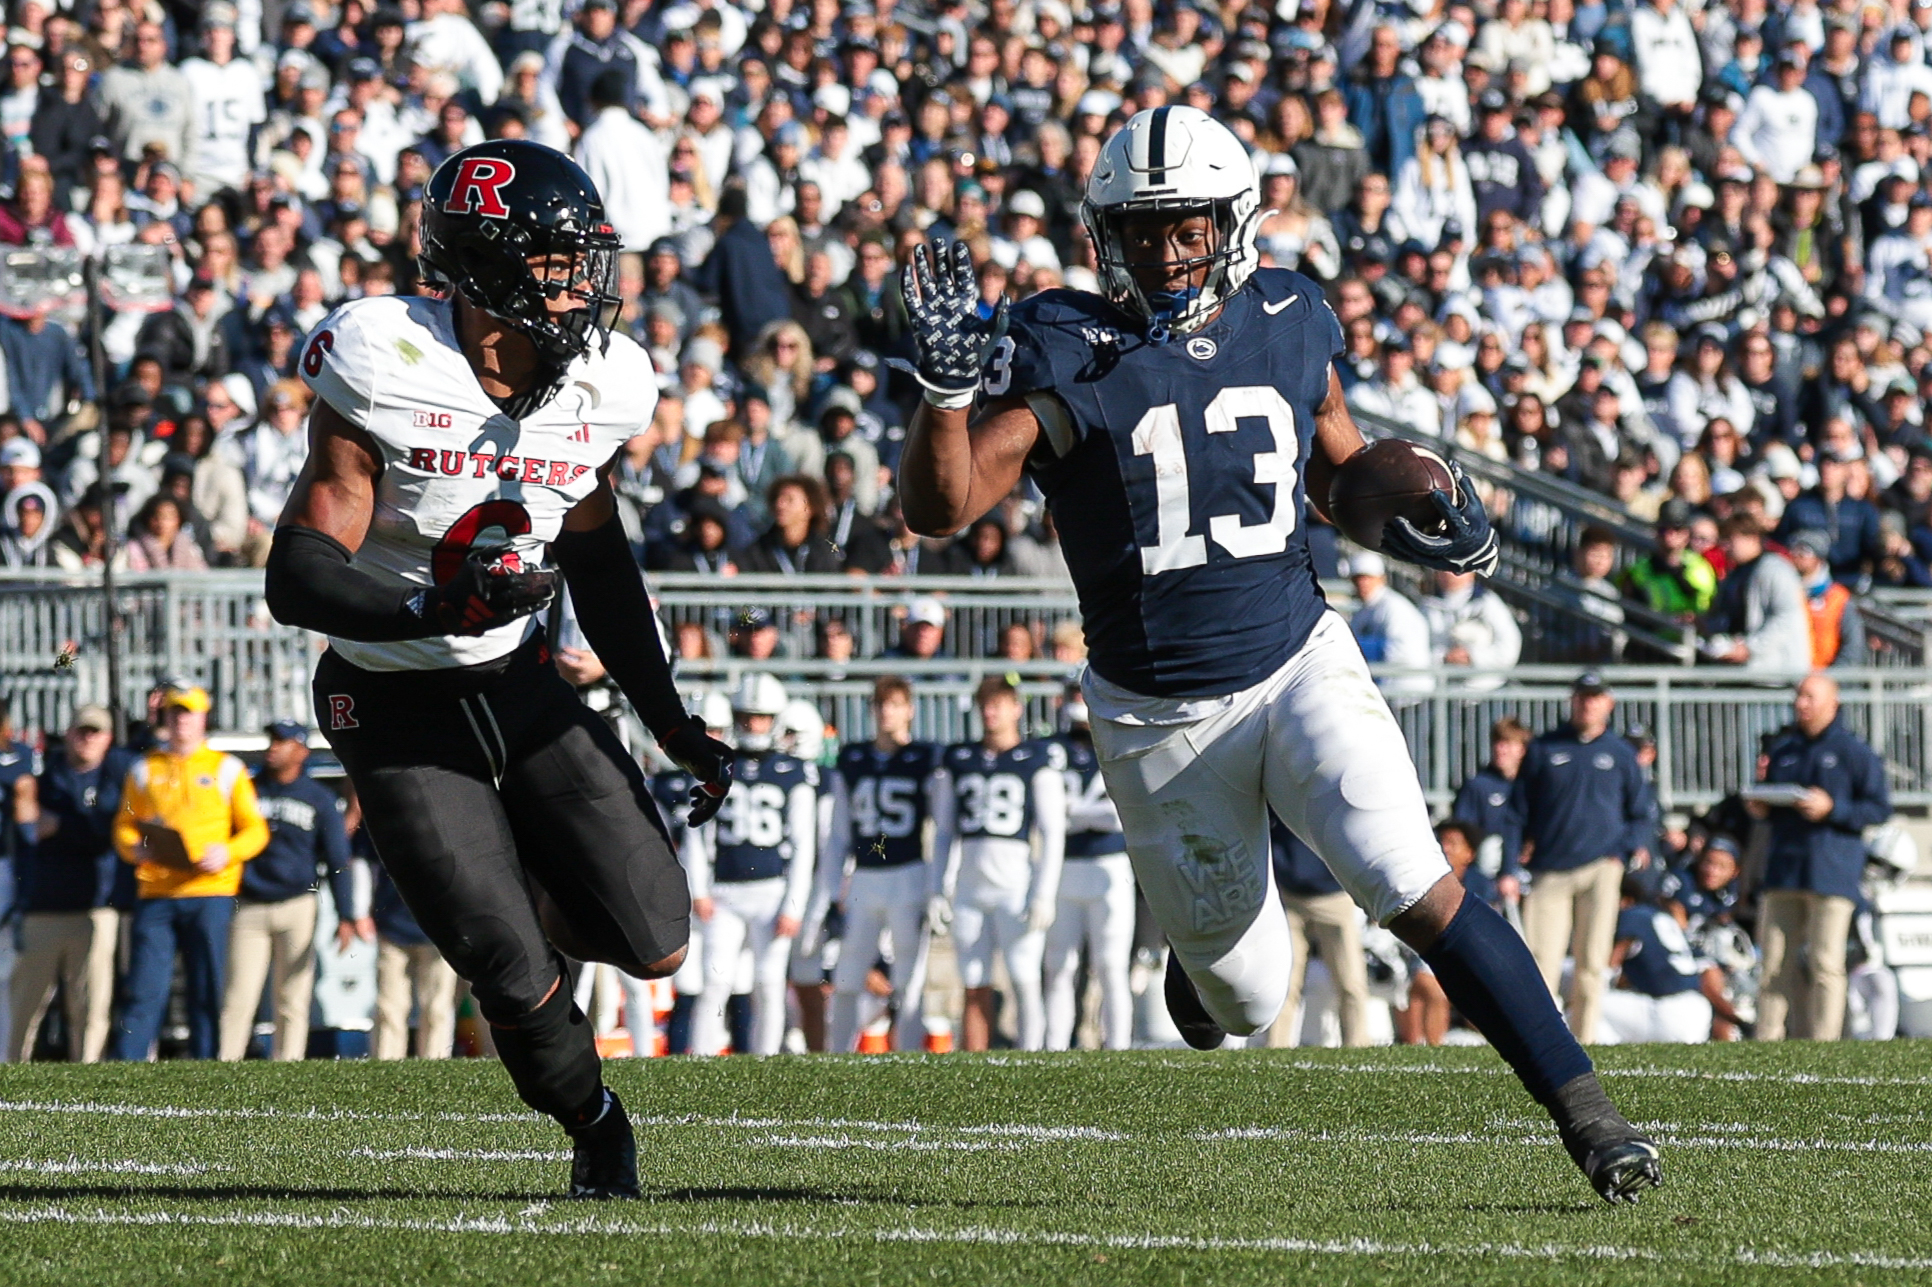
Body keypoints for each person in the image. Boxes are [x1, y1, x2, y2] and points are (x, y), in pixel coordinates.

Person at [896, 105, 1656, 1204]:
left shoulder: (1293, 310)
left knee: (1412, 880)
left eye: (1188, 227)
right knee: (1247, 1004)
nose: (1165, 252)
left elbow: (1338, 471)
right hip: (1160, 714)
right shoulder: (1067, 341)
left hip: (1299, 657)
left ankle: (1588, 1115)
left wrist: (1422, 510)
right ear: (1107, 233)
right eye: (1143, 230)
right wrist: (944, 399)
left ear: (1233, 222)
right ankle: (1202, 971)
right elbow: (947, 504)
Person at [262, 141, 732, 1198]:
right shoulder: (387, 357)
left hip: (516, 680)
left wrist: (669, 717)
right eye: (556, 261)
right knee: (516, 979)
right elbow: (296, 573)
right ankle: (594, 1122)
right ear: (481, 264)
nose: (581, 284)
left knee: (656, 944)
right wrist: (427, 605)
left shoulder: (607, 379)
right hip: (388, 696)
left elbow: (600, 559)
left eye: (584, 261)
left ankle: (517, 873)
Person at [110, 685, 270, 1061]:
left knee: (206, 984)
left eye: (188, 713)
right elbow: (124, 824)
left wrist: (227, 852)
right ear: (164, 718)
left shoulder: (226, 768)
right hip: (158, 891)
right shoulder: (145, 768)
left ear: (203, 718)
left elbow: (256, 829)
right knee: (145, 986)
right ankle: (129, 1064)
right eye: (174, 713)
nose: (181, 720)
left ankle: (206, 1063)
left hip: (209, 890)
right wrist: (134, 849)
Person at [1509, 673, 1653, 1045]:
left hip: (1600, 868)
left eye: (1595, 697)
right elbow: (1517, 812)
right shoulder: (1544, 749)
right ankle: (1540, 1041)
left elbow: (1640, 811)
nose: (1587, 704)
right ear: (1571, 700)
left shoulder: (1621, 754)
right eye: (1582, 697)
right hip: (1549, 868)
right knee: (1542, 961)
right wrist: (1511, 864)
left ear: (1609, 703)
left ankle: (1584, 1040)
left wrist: (1625, 852)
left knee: (1592, 962)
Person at [681, 673, 817, 1057]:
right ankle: (701, 1059)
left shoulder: (793, 771)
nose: (754, 725)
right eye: (747, 717)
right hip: (725, 890)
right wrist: (700, 889)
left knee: (769, 982)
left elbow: (804, 844)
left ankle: (767, 1059)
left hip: (771, 890)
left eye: (761, 717)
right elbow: (698, 830)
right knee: (715, 979)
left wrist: (794, 904)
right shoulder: (719, 765)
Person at [1748, 674, 1891, 1041]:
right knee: (1773, 964)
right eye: (1799, 697)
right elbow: (1776, 806)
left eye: (1810, 697)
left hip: (1831, 871)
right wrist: (1764, 805)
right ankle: (1768, 1042)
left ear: (1833, 702)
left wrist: (1832, 808)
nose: (1801, 704)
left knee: (1826, 963)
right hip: (1784, 870)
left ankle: (1824, 1044)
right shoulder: (1784, 749)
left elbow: (1878, 808)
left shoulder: (1853, 752)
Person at [934, 677, 1066, 1053]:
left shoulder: (1035, 759)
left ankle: (1033, 1056)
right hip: (970, 885)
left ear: (1016, 708)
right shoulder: (960, 759)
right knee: (973, 981)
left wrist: (1044, 893)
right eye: (985, 704)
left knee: (1024, 978)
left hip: (1015, 884)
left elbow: (1053, 832)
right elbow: (944, 832)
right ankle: (975, 1060)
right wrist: (937, 888)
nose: (991, 712)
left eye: (999, 704)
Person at [820, 675, 948, 1053]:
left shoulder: (926, 758)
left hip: (909, 872)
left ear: (909, 710)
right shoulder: (853, 757)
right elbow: (839, 833)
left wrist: (938, 886)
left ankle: (907, 1055)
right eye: (881, 705)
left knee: (909, 976)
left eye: (895, 704)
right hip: (864, 876)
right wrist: (831, 891)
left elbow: (941, 827)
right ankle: (837, 1054)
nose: (887, 712)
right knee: (846, 976)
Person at [217, 721, 359, 1062]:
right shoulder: (248, 790)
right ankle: (225, 1063)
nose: (273, 747)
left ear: (301, 751)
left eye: (282, 741)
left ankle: (289, 1062)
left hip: (298, 903)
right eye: (272, 740)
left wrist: (347, 915)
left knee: (293, 995)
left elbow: (338, 860)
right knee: (238, 995)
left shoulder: (319, 798)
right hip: (249, 904)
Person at [8, 707, 130, 1063]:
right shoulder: (46, 777)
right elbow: (28, 825)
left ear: (108, 738)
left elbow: (104, 833)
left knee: (90, 1006)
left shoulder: (114, 777)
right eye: (82, 731)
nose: (87, 739)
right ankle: (13, 1071)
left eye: (96, 732)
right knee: (26, 1005)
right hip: (44, 906)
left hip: (95, 906)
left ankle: (87, 1072)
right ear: (69, 732)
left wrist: (61, 826)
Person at [1044, 686, 1136, 1051]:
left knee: (1112, 967)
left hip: (1109, 867)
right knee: (1058, 967)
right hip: (1064, 868)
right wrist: (1079, 816)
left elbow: (1119, 814)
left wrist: (1071, 813)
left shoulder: (1119, 741)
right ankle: (1053, 1047)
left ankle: (1118, 1047)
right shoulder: (1051, 749)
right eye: (1074, 694)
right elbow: (1046, 815)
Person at [1266, 820, 1371, 1049]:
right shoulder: (1278, 786)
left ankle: (1358, 1046)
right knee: (1284, 983)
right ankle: (1275, 1048)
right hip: (1288, 893)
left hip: (1335, 894)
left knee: (1350, 980)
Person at [1597, 879, 1712, 1045]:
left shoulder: (1630, 915)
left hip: (1668, 1013)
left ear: (1626, 900)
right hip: (1699, 1009)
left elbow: (1612, 962)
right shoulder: (1661, 916)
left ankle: (1608, 1058)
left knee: (1587, 1005)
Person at [1453, 717, 1529, 897]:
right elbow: (1464, 832)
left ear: (1522, 749)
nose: (1501, 750)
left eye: (1508, 744)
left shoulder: (1532, 786)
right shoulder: (1478, 785)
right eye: (1498, 743)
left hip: (1528, 871)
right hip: (1486, 875)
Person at [1345, 551, 1431, 696]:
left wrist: (1367, 649)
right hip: (1388, 691)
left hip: (1409, 693)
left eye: (1368, 578)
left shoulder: (1394, 607)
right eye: (1358, 579)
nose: (1363, 584)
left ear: (1381, 579)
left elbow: (1402, 652)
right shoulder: (1363, 611)